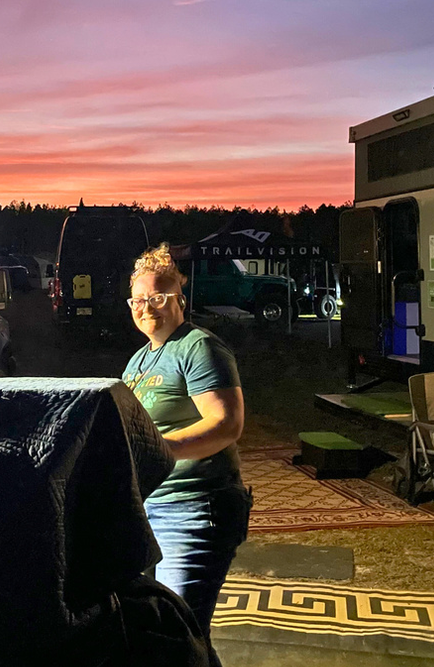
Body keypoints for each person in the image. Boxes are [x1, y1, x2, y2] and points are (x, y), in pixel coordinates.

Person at [121, 243, 252, 660]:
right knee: (170, 634)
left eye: (158, 298)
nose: (147, 308)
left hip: (195, 509)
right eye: (138, 300)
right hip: (150, 509)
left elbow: (226, 424)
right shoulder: (138, 361)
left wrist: (157, 451)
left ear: (180, 298)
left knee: (178, 634)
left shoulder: (198, 347)